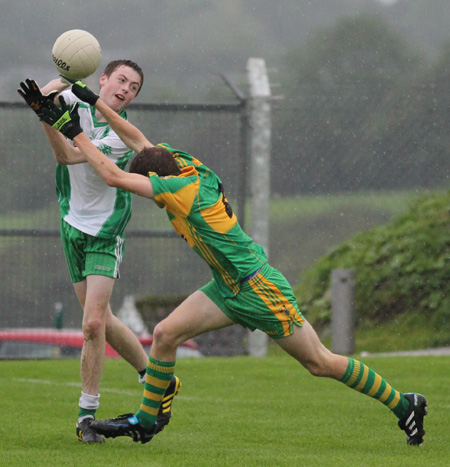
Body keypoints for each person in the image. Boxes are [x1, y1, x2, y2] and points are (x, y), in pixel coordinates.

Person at [38, 80, 427, 446]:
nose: (154, 199)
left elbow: (112, 176)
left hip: (259, 288)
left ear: (159, 183)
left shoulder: (178, 191)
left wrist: (73, 131)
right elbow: (138, 141)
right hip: (227, 284)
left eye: (153, 193)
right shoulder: (182, 163)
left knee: (319, 362)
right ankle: (146, 420)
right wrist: (95, 103)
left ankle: (404, 404)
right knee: (165, 334)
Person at [17, 64, 180, 444]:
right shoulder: (74, 99)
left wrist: (52, 118)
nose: (126, 89)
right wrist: (60, 82)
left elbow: (73, 156)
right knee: (102, 318)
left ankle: (86, 415)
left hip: (106, 229)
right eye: (121, 80)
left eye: (134, 87)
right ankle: (156, 377)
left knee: (91, 324)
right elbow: (44, 101)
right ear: (102, 79)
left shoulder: (122, 134)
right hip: (71, 221)